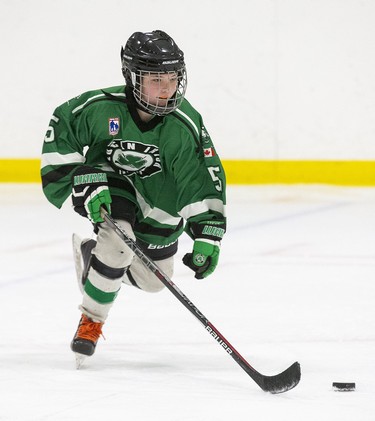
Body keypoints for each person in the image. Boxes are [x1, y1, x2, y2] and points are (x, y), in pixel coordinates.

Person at [41, 30, 227, 364]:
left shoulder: (184, 125)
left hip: (160, 199)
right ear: (133, 77)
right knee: (118, 241)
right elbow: (63, 129)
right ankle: (92, 320)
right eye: (157, 79)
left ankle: (93, 259)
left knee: (156, 281)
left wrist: (207, 232)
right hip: (111, 184)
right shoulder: (100, 108)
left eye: (172, 78)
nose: (167, 88)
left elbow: (198, 177)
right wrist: (78, 178)